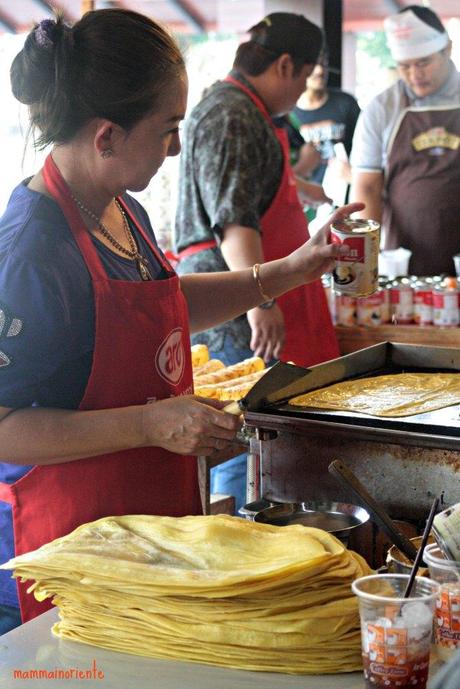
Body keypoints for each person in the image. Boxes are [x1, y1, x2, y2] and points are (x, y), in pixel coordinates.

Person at [0, 9, 360, 634]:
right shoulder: (31, 251)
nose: (175, 147)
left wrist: (292, 270)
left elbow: (165, 303)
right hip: (79, 555)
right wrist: (149, 423)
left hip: (154, 529)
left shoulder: (121, 206)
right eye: (168, 129)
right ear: (107, 135)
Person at [173, 12, 341, 513]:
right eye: (307, 75)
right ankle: (235, 545)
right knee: (236, 433)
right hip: (230, 307)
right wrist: (261, 298)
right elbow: (233, 223)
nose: (301, 91)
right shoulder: (232, 114)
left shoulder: (250, 113)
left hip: (247, 294)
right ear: (286, 64)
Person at [350, 5, 460, 276]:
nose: (414, 75)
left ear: (447, 49)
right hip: (403, 254)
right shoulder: (381, 109)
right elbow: (367, 189)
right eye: (404, 66)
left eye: (423, 63)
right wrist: (366, 262)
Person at [279, 51, 360, 198]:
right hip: (304, 199)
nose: (320, 70)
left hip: (345, 196)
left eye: (324, 64)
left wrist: (354, 176)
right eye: (313, 65)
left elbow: (367, 150)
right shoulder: (285, 112)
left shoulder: (346, 103)